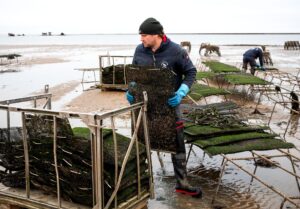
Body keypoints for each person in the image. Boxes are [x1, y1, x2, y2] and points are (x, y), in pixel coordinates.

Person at [126, 17, 202, 198]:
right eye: (140, 35)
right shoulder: (139, 50)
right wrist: (130, 90)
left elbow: (191, 72)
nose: (141, 39)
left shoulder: (176, 51)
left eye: (144, 35)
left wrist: (182, 91)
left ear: (156, 35)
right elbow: (134, 74)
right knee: (140, 140)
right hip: (143, 105)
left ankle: (182, 183)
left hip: (169, 105)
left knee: (176, 142)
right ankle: (140, 181)